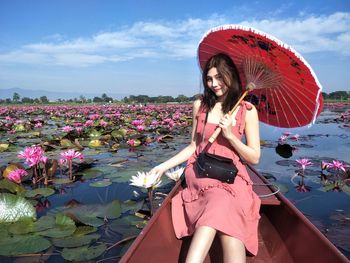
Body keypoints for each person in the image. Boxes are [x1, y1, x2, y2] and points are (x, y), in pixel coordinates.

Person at [150, 53, 261, 263]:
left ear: (231, 76)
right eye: (209, 79)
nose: (214, 84)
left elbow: (254, 157)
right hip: (201, 170)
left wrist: (230, 136)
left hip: (231, 173)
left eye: (219, 77)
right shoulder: (200, 105)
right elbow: (193, 146)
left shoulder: (248, 110)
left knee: (229, 225)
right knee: (220, 200)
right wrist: (163, 166)